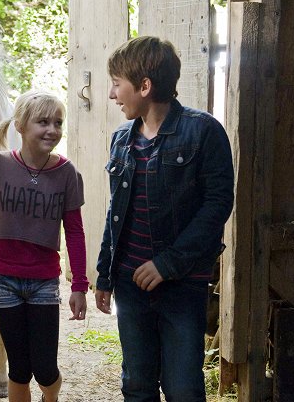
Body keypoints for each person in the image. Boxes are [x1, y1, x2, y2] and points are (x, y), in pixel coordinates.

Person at [95, 36, 234, 401]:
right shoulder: (121, 139)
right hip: (130, 285)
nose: (112, 94)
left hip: (181, 285)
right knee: (137, 385)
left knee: (183, 388)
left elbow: (218, 205)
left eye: (116, 83)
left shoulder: (204, 131)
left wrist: (167, 265)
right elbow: (116, 211)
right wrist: (105, 274)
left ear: (144, 86)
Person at [0, 89, 88, 402]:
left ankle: (51, 397)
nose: (52, 129)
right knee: (19, 368)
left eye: (58, 122)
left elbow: (75, 231)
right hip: (2, 281)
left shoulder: (67, 174)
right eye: (43, 122)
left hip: (43, 284)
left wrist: (79, 285)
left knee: (45, 369)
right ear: (20, 126)